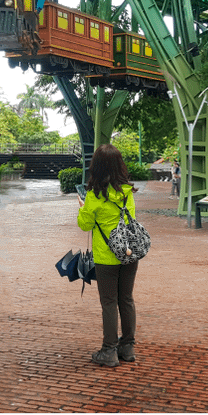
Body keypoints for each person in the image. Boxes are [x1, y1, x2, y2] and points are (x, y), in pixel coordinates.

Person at [76, 144, 140, 367]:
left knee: (109, 302)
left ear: (97, 167)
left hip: (106, 257)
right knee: (127, 299)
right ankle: (128, 347)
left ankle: (109, 351)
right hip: (130, 254)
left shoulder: (95, 195)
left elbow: (85, 224)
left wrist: (83, 207)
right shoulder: (127, 192)